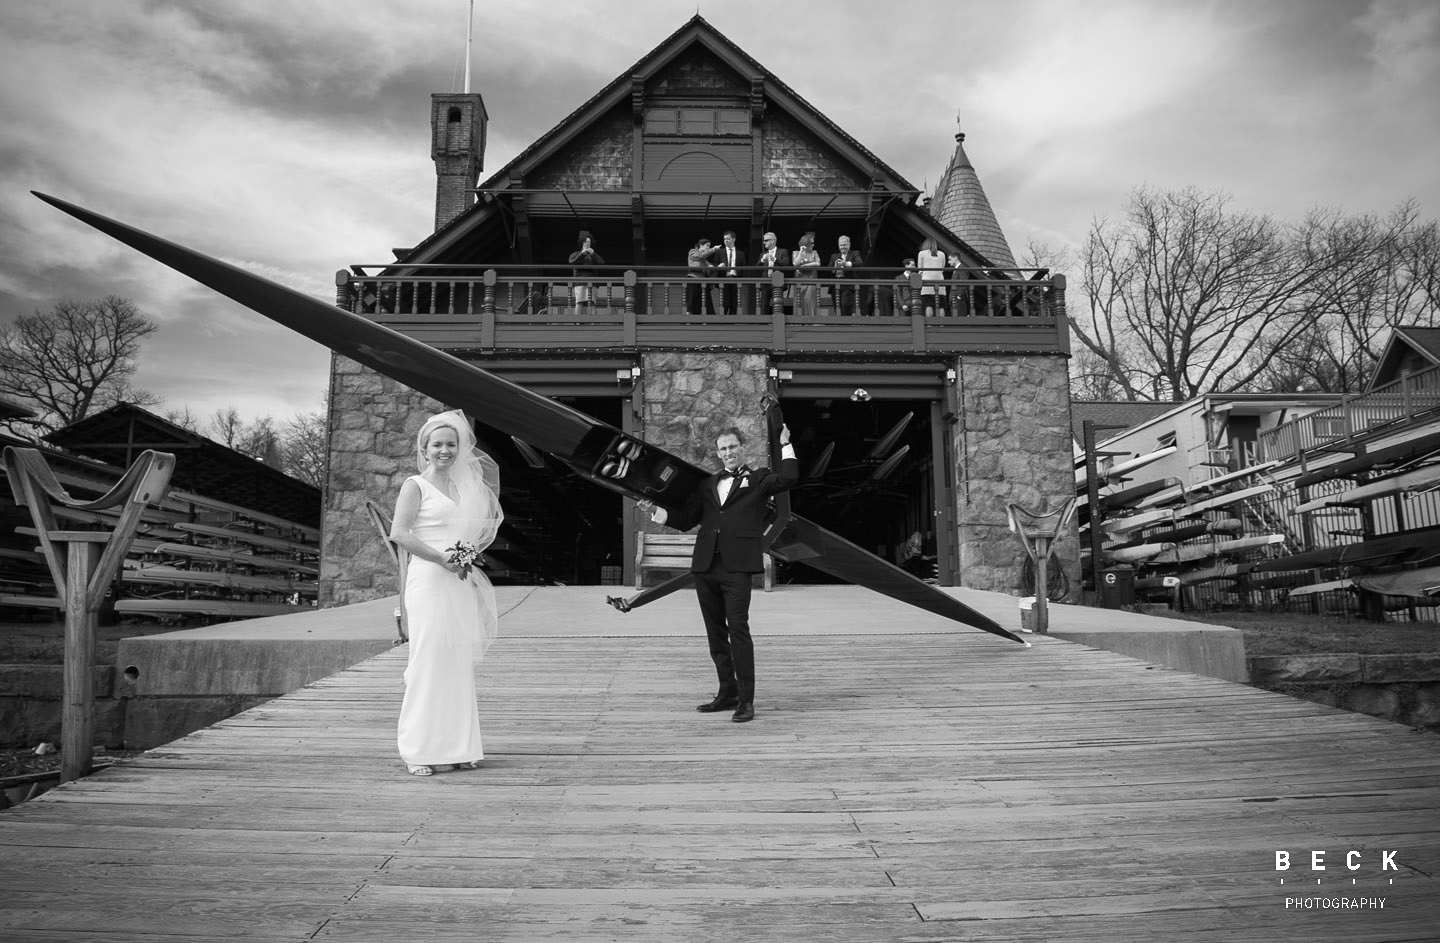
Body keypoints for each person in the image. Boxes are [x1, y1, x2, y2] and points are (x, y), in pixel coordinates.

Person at [638, 423, 798, 723]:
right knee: (715, 634)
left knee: (738, 631)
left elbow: (789, 477)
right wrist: (655, 512)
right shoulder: (708, 484)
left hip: (737, 566)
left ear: (742, 447)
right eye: (722, 449)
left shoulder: (760, 478)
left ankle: (747, 702)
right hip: (705, 566)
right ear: (718, 453)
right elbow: (688, 520)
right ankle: (728, 692)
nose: (728, 453)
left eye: (732, 447)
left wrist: (785, 444)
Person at [388, 410, 504, 776]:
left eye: (450, 444)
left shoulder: (462, 488)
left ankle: (457, 746)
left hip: (456, 581)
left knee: (456, 662)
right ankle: (418, 751)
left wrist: (465, 556)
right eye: (437, 444)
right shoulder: (415, 485)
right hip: (428, 580)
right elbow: (401, 534)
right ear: (424, 449)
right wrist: (442, 558)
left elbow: (472, 532)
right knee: (428, 661)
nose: (444, 450)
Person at [709, 230, 747, 315]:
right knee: (725, 303)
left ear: (734, 239)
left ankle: (732, 322)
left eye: (728, 239)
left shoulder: (741, 254)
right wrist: (719, 266)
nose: (726, 240)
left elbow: (744, 267)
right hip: (724, 279)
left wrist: (742, 279)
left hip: (736, 279)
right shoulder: (720, 252)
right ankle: (723, 321)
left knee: (734, 303)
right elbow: (715, 263)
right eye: (724, 239)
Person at [568, 230, 604, 316]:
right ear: (582, 243)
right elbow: (572, 262)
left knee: (592, 303)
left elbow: (601, 263)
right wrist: (582, 254)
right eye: (586, 242)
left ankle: (593, 323)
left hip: (593, 282)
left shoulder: (593, 254)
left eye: (589, 242)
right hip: (580, 281)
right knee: (579, 302)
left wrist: (593, 254)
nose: (588, 244)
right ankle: (578, 322)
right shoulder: (576, 254)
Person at [829, 234, 865, 315]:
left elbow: (860, 263)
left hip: (847, 284)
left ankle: (846, 323)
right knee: (837, 307)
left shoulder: (854, 253)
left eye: (844, 245)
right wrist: (835, 267)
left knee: (845, 304)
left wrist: (845, 263)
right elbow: (829, 270)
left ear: (849, 244)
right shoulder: (834, 256)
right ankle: (839, 324)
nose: (842, 247)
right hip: (835, 284)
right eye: (841, 245)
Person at [757, 231, 791, 312]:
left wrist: (774, 259)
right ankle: (764, 324)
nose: (764, 242)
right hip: (766, 283)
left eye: (766, 240)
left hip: (778, 283)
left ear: (772, 241)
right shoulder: (762, 254)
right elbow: (756, 269)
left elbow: (787, 265)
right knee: (764, 305)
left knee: (778, 305)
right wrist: (762, 260)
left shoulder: (782, 251)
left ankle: (777, 322)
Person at [917, 237, 948, 316]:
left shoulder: (922, 253)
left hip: (927, 282)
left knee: (928, 304)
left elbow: (920, 269)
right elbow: (942, 268)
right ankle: (942, 324)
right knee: (941, 305)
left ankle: (929, 324)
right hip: (940, 281)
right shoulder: (942, 254)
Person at [793, 232, 821, 317]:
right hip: (800, 279)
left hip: (811, 279)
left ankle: (812, 319)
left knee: (809, 299)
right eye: (811, 243)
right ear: (806, 243)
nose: (813, 244)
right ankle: (799, 321)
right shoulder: (796, 253)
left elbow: (818, 263)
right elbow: (795, 263)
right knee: (799, 300)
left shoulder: (814, 253)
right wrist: (801, 251)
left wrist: (805, 265)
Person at [686, 237, 716, 315]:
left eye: (709, 246)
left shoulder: (705, 260)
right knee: (691, 299)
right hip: (693, 278)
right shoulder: (693, 251)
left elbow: (708, 267)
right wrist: (713, 249)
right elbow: (699, 256)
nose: (708, 248)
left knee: (703, 300)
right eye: (707, 245)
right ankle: (688, 319)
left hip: (702, 281)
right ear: (701, 245)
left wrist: (715, 266)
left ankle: (704, 319)